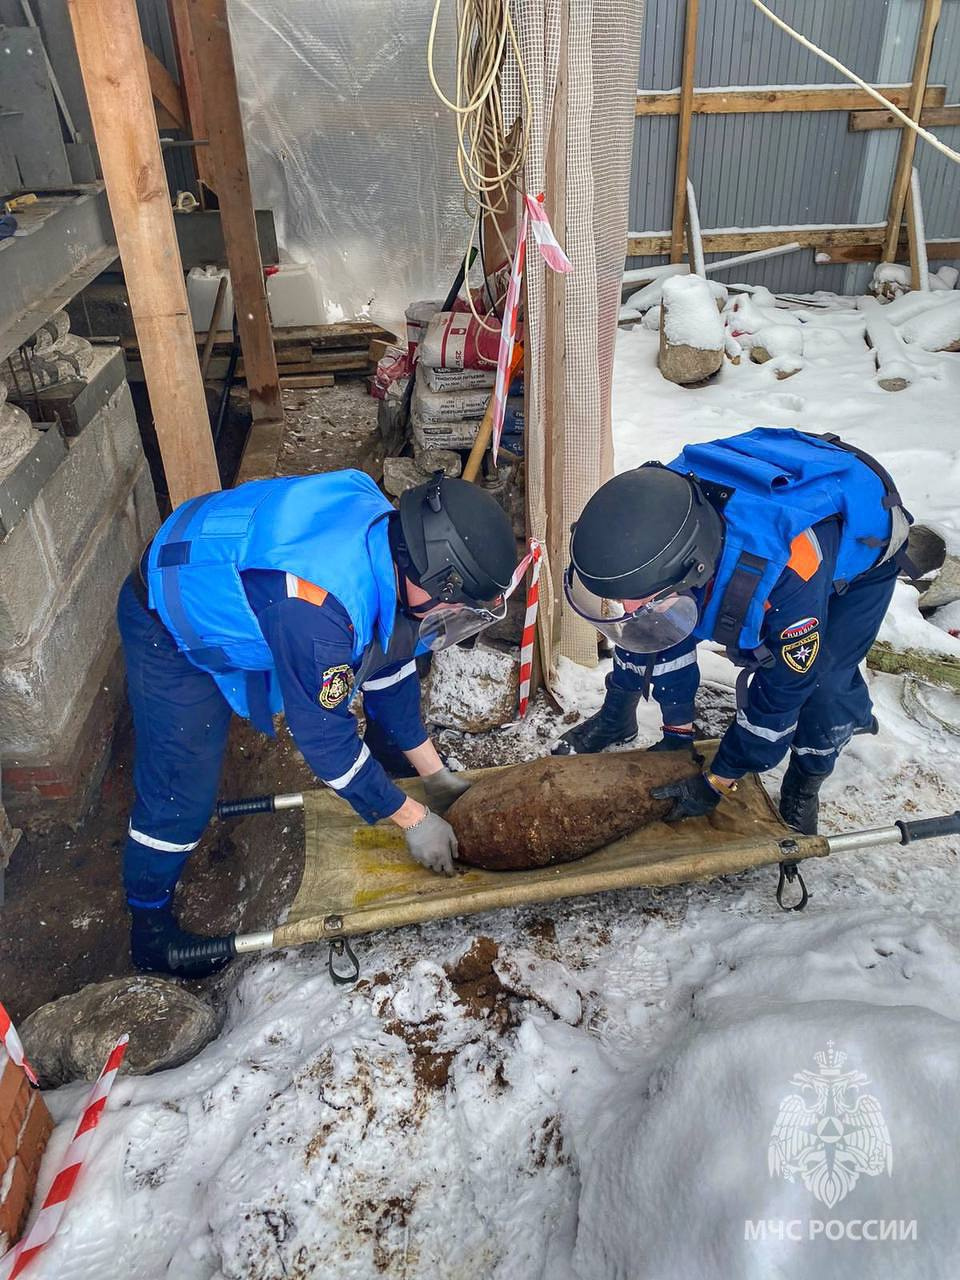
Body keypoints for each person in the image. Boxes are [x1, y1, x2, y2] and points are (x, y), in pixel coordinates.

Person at [118, 470, 518, 978]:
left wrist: (434, 776)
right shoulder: (318, 606)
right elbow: (324, 739)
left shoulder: (392, 541)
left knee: (356, 670)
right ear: (427, 577)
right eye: (454, 603)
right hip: (168, 610)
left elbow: (389, 669)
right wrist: (413, 820)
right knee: (181, 787)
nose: (452, 613)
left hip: (237, 576)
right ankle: (148, 926)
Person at [554, 428, 911, 833]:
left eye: (639, 596)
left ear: (693, 570)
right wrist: (677, 733)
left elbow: (783, 691)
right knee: (653, 622)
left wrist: (721, 777)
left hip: (860, 536)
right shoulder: (657, 519)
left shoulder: (789, 573)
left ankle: (806, 780)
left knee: (823, 681)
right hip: (757, 483)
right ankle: (618, 717)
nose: (629, 608)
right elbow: (650, 629)